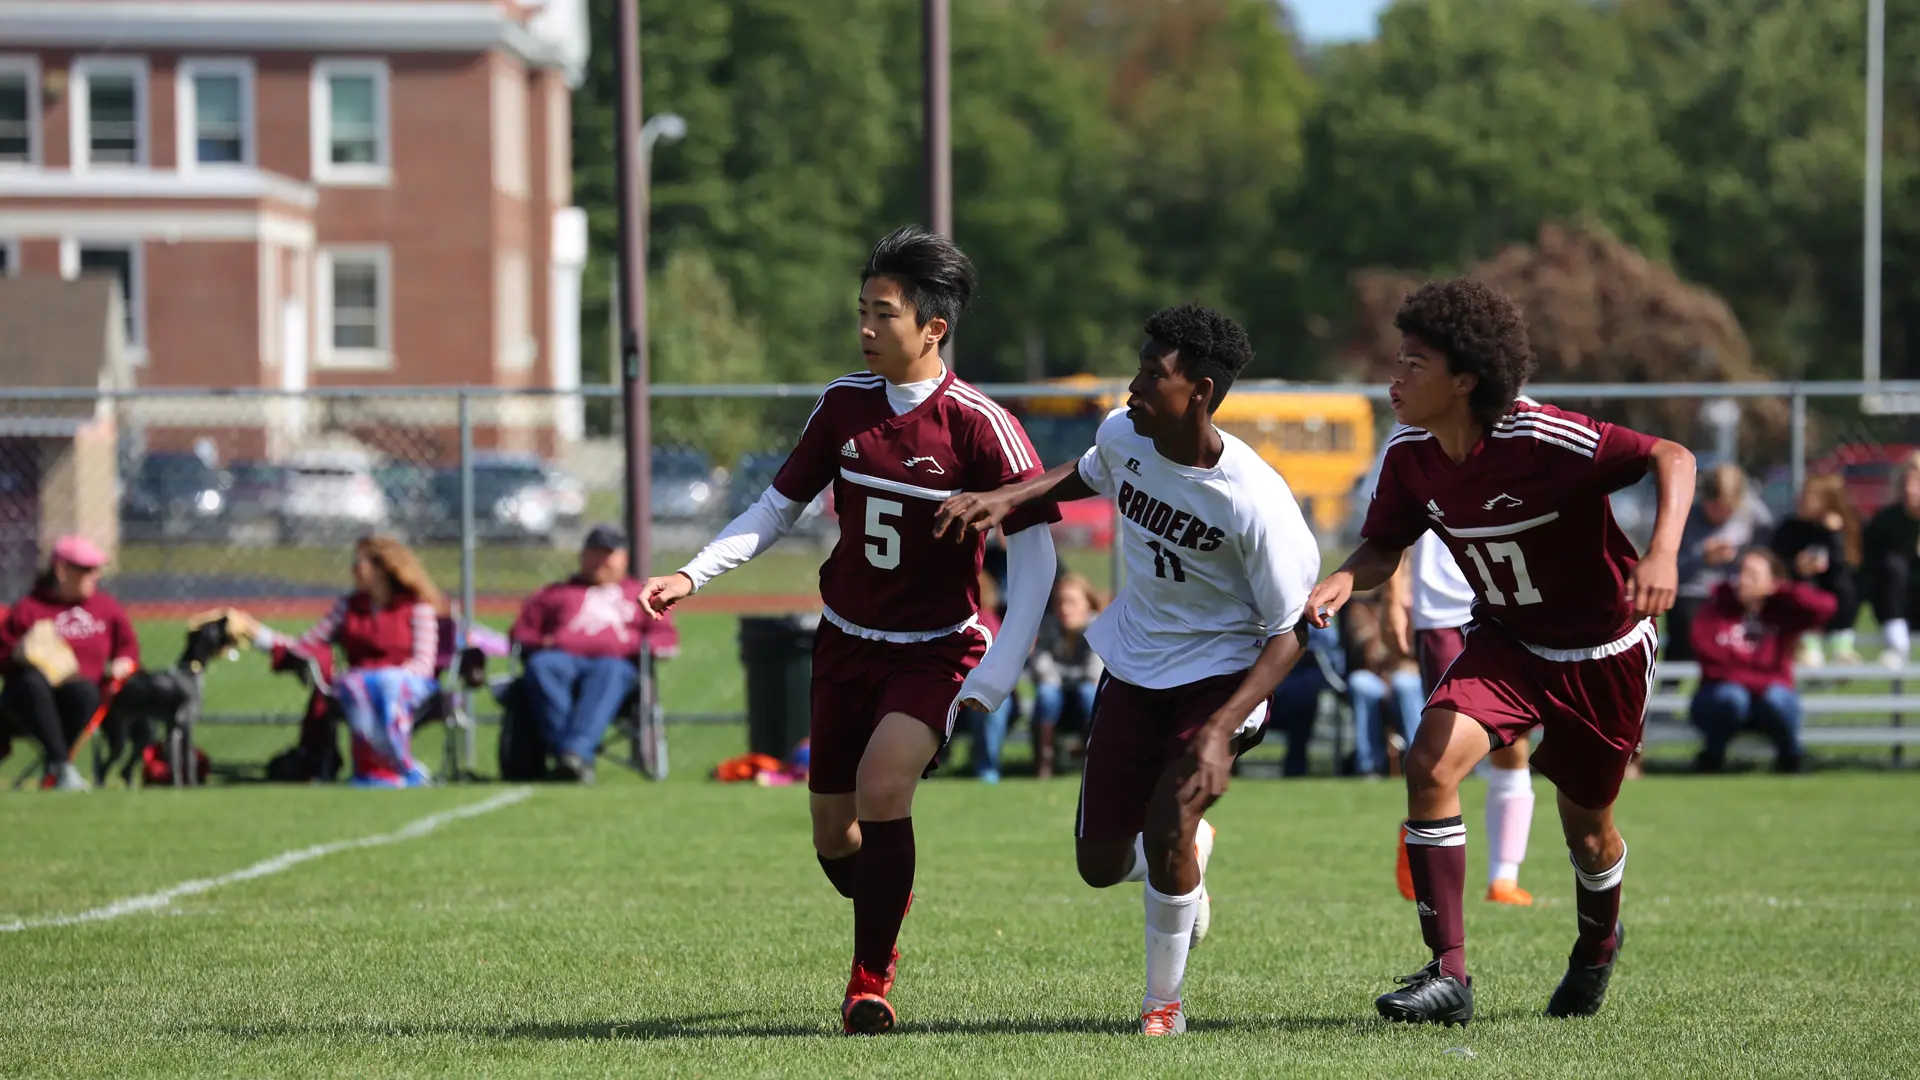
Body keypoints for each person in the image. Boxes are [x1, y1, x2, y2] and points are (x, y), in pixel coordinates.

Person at [639, 227, 1059, 1035]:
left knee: (884, 787)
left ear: (933, 328)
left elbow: (1036, 557)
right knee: (836, 835)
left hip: (937, 649)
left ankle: (869, 982)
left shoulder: (981, 425)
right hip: (843, 641)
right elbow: (775, 507)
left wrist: (1000, 670)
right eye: (861, 310)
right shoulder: (843, 403)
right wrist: (692, 572)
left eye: (883, 313)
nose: (865, 327)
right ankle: (884, 890)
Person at [1307, 278, 1696, 1026]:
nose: (1394, 378)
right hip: (1509, 643)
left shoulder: (1544, 439)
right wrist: (1342, 581)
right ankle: (1448, 974)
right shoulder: (1411, 456)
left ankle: (1596, 943)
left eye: (1413, 365)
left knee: (1587, 831)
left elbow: (1672, 456)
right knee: (1429, 762)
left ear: (1465, 380)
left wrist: (1665, 554)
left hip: (1602, 654)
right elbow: (1384, 546)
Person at [935, 303, 1319, 1036]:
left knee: (1170, 822)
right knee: (1100, 863)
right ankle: (1186, 856)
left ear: (1200, 390)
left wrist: (1220, 732)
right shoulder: (1124, 435)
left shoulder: (1256, 501)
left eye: (1152, 375)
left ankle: (1162, 1005)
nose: (1132, 388)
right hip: (1135, 665)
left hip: (1220, 678)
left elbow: (1291, 631)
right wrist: (1002, 499)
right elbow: (1085, 474)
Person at [1384, 532, 1538, 907]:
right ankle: (1418, 827)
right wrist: (1392, 600)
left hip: (1506, 605)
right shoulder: (1408, 469)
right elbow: (1392, 531)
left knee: (1512, 746)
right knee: (1444, 751)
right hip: (1440, 610)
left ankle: (1504, 878)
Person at [237, 536, 446, 788]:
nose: (354, 570)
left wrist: (384, 677)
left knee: (385, 684)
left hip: (408, 685)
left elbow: (424, 662)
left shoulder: (416, 607)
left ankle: (398, 766)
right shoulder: (348, 608)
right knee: (354, 684)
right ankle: (380, 771)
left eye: (360, 564)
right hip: (360, 686)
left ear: (382, 568)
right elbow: (304, 645)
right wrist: (254, 632)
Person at [508, 523, 677, 785]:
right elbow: (520, 634)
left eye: (609, 554)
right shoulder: (555, 594)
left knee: (609, 671)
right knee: (542, 666)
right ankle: (574, 756)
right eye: (596, 553)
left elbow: (664, 637)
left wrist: (638, 645)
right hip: (560, 661)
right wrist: (544, 641)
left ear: (624, 557)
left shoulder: (640, 594)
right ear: (582, 556)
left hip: (616, 666)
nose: (602, 561)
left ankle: (572, 753)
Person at [0, 536, 138, 790]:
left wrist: (124, 661)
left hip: (78, 701)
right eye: (86, 570)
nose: (95, 575)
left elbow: (128, 646)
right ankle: (62, 767)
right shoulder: (30, 609)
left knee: (84, 690)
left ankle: (58, 766)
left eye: (97, 569)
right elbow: (4, 657)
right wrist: (21, 652)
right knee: (32, 682)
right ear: (62, 571)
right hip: (28, 704)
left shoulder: (105, 607)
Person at [1689, 548, 1835, 774]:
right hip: (1720, 696)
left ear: (1772, 582)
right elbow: (1712, 663)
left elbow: (1826, 607)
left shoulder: (1783, 609)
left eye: (1753, 575)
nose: (1743, 581)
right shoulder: (1716, 608)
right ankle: (1713, 757)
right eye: (1741, 573)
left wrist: (1786, 589)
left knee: (1777, 698)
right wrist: (1761, 680)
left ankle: (1791, 756)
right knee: (1733, 696)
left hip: (1768, 700)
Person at [1668, 463, 1771, 662]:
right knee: (1687, 620)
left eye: (1728, 509)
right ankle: (1672, 683)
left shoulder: (1755, 516)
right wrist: (1704, 558)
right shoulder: (1687, 515)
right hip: (1694, 592)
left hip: (1738, 590)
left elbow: (1766, 557)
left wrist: (1739, 558)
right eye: (1715, 508)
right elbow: (1673, 568)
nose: (1721, 515)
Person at [1769, 474, 1862, 667]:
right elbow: (1775, 562)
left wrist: (1834, 535)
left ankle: (1842, 646)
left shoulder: (1844, 529)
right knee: (1804, 587)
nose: (1800, 500)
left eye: (1808, 497)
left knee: (1843, 584)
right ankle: (1809, 646)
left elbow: (1848, 566)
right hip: (1801, 601)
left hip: (1835, 601)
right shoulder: (1789, 528)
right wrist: (1796, 567)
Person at [1027, 572, 1105, 781]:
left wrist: (1063, 677)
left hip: (1082, 696)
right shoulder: (1048, 628)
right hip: (1056, 698)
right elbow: (1042, 668)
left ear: (1088, 604)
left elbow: (1094, 673)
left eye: (1071, 602)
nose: (1065, 608)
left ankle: (1097, 759)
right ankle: (1044, 762)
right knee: (1047, 693)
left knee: (1090, 693)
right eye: (1060, 602)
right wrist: (1062, 679)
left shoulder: (1099, 629)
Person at [1338, 591, 1425, 777]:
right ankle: (1369, 766)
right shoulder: (1358, 607)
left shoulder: (1413, 600)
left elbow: (1417, 647)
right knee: (1360, 683)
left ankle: (1421, 762)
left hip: (1408, 675)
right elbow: (1369, 651)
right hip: (1374, 676)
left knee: (1405, 684)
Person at [1861, 452, 1920, 667]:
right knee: (1893, 565)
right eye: (1907, 481)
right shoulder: (1886, 520)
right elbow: (1869, 568)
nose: (1910, 488)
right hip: (1899, 608)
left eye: (1917, 481)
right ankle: (1896, 645)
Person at [963, 569, 1016, 784]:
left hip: (978, 690)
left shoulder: (988, 622)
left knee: (995, 703)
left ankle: (987, 768)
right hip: (949, 690)